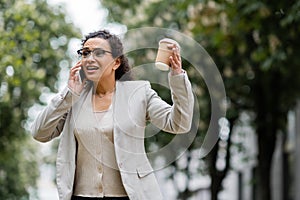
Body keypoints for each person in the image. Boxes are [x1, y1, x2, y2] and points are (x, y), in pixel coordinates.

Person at [31, 30, 194, 200]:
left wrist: (177, 77)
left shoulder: (139, 93)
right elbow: (39, 133)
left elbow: (179, 124)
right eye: (85, 53)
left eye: (99, 53)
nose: (90, 58)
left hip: (130, 196)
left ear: (116, 62)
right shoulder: (73, 99)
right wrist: (69, 94)